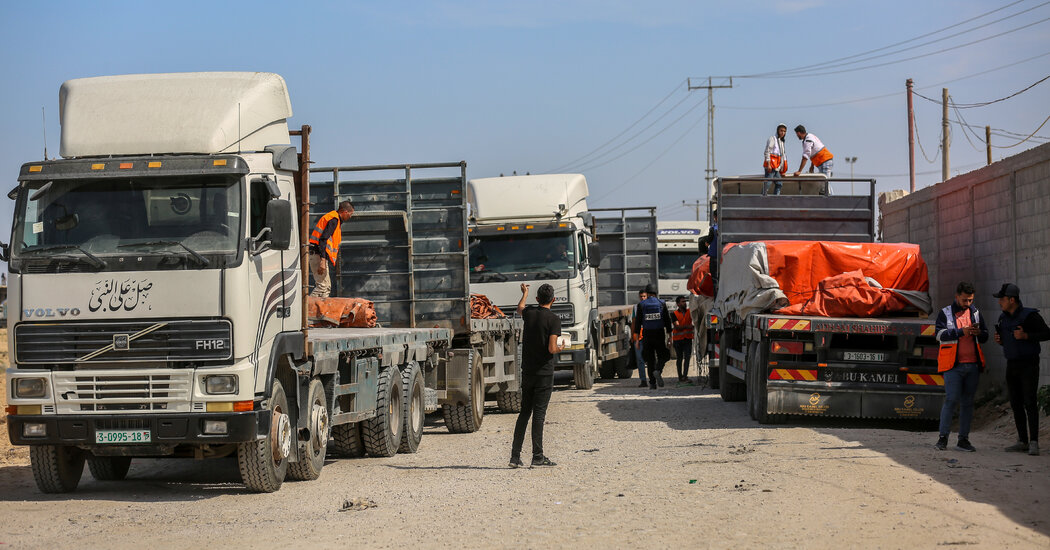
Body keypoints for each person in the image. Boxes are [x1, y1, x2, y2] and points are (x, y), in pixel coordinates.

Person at [992, 283, 1050, 456]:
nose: (999, 303)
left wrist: (1027, 336)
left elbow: (1047, 333)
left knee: (1029, 402)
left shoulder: (1030, 316)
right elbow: (1006, 339)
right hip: (1012, 364)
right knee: (1016, 403)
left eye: (1002, 299)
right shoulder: (1003, 318)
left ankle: (1034, 442)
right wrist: (1000, 340)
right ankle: (1022, 441)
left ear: (1012, 299)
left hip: (1029, 364)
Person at [510, 283, 563, 468]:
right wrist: (560, 347)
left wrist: (525, 293)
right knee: (539, 415)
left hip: (528, 371)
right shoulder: (554, 319)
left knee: (524, 413)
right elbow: (551, 348)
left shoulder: (530, 314)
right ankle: (538, 456)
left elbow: (520, 308)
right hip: (544, 373)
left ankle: (515, 457)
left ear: (538, 299)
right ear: (553, 300)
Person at [934, 282, 988, 452]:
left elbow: (985, 336)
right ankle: (943, 439)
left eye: (970, 300)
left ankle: (963, 440)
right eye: (965, 300)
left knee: (967, 403)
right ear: (956, 296)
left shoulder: (976, 313)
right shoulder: (945, 313)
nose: (967, 304)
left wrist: (979, 333)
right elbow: (939, 335)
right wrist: (960, 332)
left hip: (972, 365)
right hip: (953, 366)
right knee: (951, 400)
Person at [308, 201, 354, 298]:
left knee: (326, 288)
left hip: (317, 255)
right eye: (350, 214)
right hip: (317, 256)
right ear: (345, 212)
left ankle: (316, 312)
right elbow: (323, 240)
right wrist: (323, 260)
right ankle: (306, 310)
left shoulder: (334, 219)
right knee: (323, 287)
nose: (350, 217)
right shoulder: (334, 220)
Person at [633, 283, 672, 389]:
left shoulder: (641, 305)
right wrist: (670, 336)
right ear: (656, 292)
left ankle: (652, 384)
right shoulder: (661, 303)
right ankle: (658, 370)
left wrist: (636, 340)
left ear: (647, 293)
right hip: (659, 334)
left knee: (650, 360)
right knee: (664, 355)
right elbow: (667, 321)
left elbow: (638, 323)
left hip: (646, 335)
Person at [792, 125, 834, 193]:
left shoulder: (808, 140)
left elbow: (805, 156)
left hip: (824, 160)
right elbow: (814, 151)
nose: (797, 136)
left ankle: (832, 200)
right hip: (823, 161)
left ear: (799, 133)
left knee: (825, 185)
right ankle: (829, 199)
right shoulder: (810, 136)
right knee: (824, 184)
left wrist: (799, 171)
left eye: (797, 134)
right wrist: (812, 165)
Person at [672, 295, 694, 383]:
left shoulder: (690, 312)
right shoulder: (674, 314)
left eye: (685, 301)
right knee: (679, 358)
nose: (685, 303)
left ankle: (685, 376)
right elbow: (677, 327)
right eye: (682, 302)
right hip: (678, 340)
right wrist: (688, 326)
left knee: (687, 358)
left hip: (687, 339)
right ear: (678, 304)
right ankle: (680, 376)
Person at [762, 124, 789, 196]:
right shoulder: (773, 139)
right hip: (770, 166)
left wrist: (782, 169)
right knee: (768, 183)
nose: (783, 133)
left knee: (779, 184)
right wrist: (768, 164)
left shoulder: (781, 142)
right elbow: (767, 151)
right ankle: (763, 197)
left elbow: (782, 156)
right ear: (778, 131)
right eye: (781, 131)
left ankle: (776, 198)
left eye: (784, 131)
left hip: (776, 168)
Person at [632, 289, 650, 388]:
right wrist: (632, 336)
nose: (642, 298)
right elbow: (634, 323)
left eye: (644, 296)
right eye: (641, 296)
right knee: (640, 360)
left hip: (648, 335)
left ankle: (652, 379)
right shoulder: (635, 307)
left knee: (650, 359)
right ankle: (643, 380)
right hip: (639, 337)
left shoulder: (651, 306)